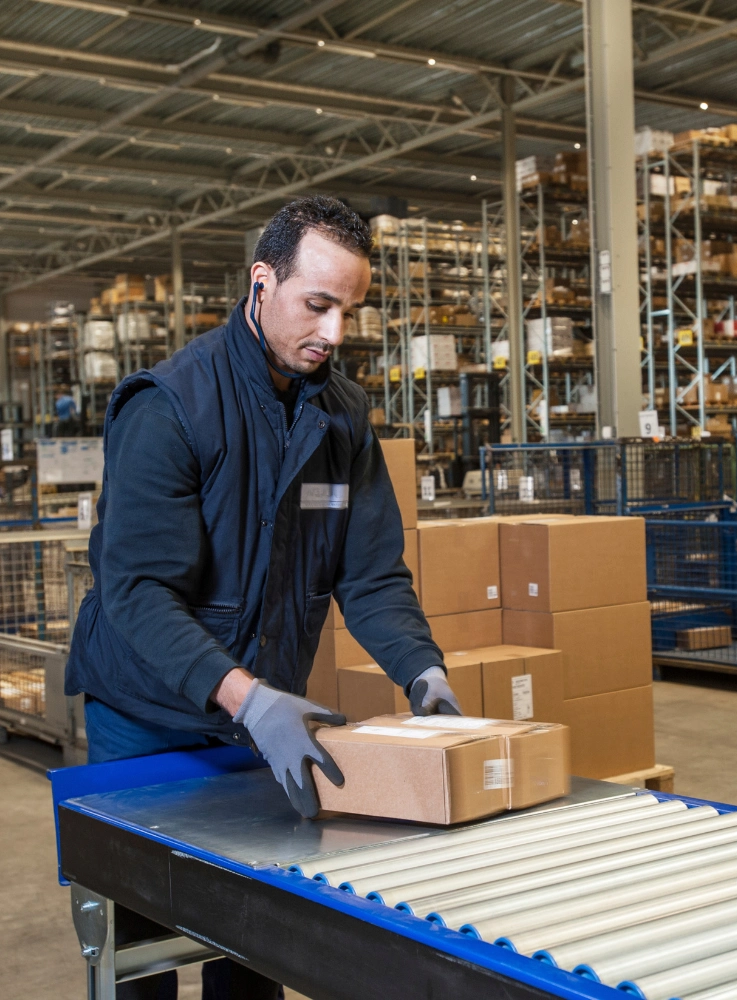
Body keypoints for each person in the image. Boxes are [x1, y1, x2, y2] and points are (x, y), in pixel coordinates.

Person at [66, 196, 460, 1000]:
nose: (334, 333)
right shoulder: (171, 406)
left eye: (348, 309)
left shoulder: (342, 418)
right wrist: (250, 700)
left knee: (253, 945)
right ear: (261, 281)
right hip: (145, 720)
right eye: (317, 304)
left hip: (259, 718)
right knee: (146, 949)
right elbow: (136, 592)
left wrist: (424, 674)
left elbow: (371, 573)